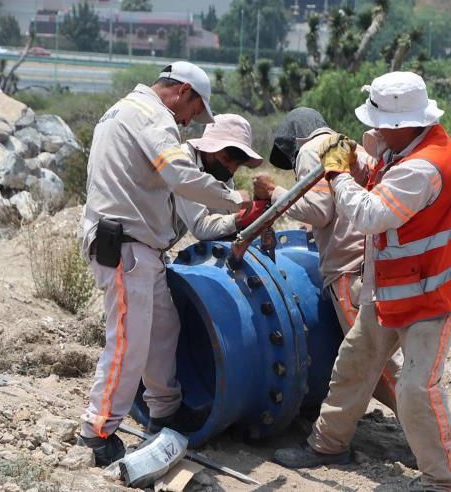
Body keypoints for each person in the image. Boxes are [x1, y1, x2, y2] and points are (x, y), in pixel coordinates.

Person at [274, 72, 451, 492]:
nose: (375, 129)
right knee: (355, 363)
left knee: (415, 389)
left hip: (434, 296)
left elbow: (369, 214)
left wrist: (338, 175)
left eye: (381, 123)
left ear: (402, 124)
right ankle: (328, 444)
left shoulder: (423, 166)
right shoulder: (411, 145)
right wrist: (364, 161)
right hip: (397, 287)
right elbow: (381, 180)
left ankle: (442, 482)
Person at [78, 62, 251, 467]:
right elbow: (178, 174)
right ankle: (98, 429)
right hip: (125, 245)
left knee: (162, 327)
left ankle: (164, 409)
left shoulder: (124, 110)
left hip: (139, 248)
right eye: (193, 111)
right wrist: (235, 199)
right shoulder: (152, 116)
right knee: (128, 340)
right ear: (182, 91)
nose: (190, 121)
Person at [253, 107, 402, 412]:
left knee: (374, 360)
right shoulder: (351, 145)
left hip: (348, 268)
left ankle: (426, 429)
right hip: (377, 258)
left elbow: (319, 210)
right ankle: (425, 422)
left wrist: (274, 192)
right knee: (384, 353)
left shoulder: (311, 148)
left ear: (294, 141)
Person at [172, 113, 267, 244]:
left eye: (237, 164)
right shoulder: (182, 162)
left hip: (158, 245)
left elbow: (223, 220)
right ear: (209, 148)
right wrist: (240, 219)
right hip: (138, 243)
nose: (231, 169)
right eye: (226, 159)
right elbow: (201, 227)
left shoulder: (221, 173)